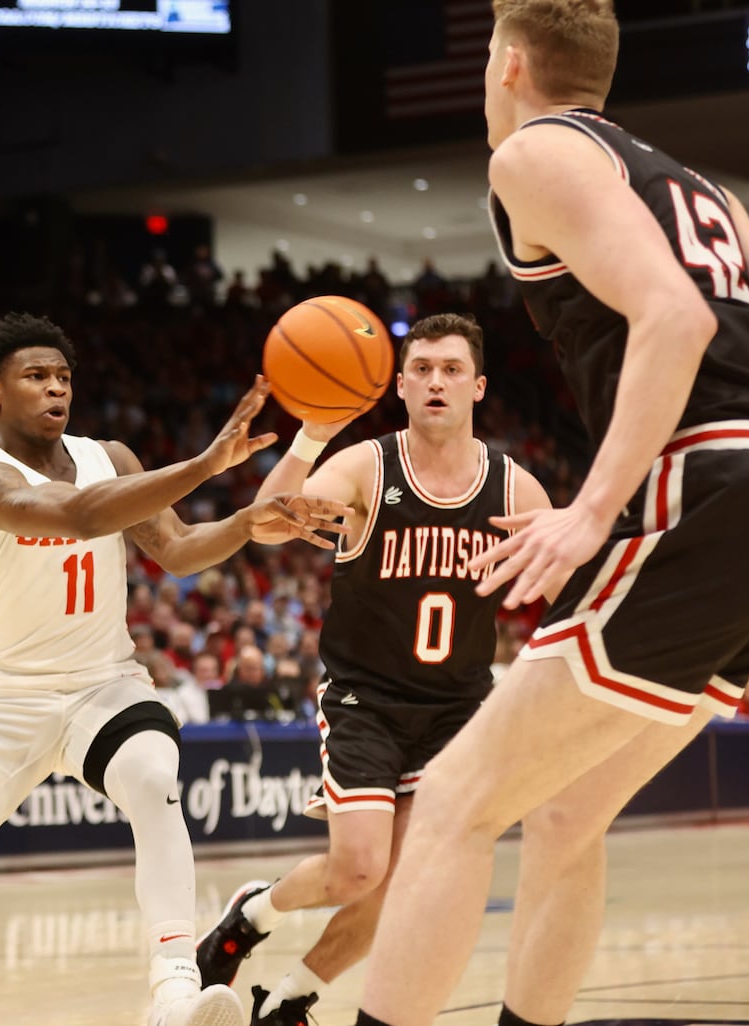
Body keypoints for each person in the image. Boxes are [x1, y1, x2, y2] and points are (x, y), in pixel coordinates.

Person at [355, 6, 749, 1026]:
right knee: (568, 811)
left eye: (483, 58)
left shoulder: (534, 153)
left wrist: (589, 509)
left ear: (510, 62)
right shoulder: (699, 188)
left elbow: (677, 317)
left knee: (451, 803)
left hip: (712, 483)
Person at [0, 312, 348, 1026]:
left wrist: (245, 524)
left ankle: (173, 991)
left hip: (107, 684)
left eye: (63, 376)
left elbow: (180, 550)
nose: (55, 388)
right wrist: (201, 466)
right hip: (7, 700)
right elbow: (79, 518)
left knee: (155, 780)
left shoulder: (113, 457)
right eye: (36, 376)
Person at [196, 314, 551, 1025]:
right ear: (399, 384)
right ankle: (251, 915)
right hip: (367, 698)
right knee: (360, 867)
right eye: (422, 369)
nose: (436, 382)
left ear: (477, 386)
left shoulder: (515, 489)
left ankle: (291, 999)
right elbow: (266, 529)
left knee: (403, 880)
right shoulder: (367, 467)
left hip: (458, 708)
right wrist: (313, 434)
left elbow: (563, 594)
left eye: (452, 369)